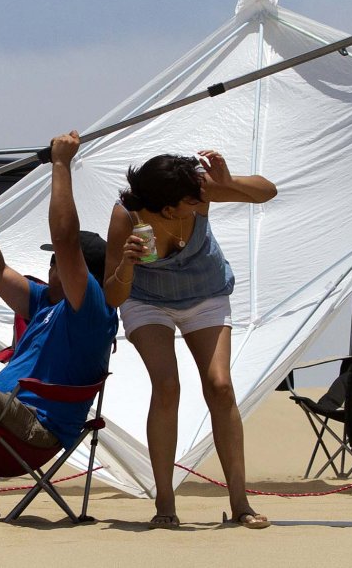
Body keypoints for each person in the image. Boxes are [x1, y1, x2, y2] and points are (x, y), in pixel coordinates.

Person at [103, 150, 276, 529]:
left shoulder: (199, 192)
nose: (202, 201)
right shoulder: (126, 217)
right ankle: (165, 502)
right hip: (147, 300)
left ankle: (240, 503)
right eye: (192, 201)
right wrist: (127, 265)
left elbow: (267, 192)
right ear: (167, 209)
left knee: (220, 386)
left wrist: (227, 183)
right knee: (167, 386)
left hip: (205, 293)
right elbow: (113, 296)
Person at [0, 131, 117, 482]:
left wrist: (61, 164)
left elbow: (65, 240)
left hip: (36, 428)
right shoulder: (44, 302)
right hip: (0, 414)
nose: (50, 267)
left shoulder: (91, 310)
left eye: (56, 263)